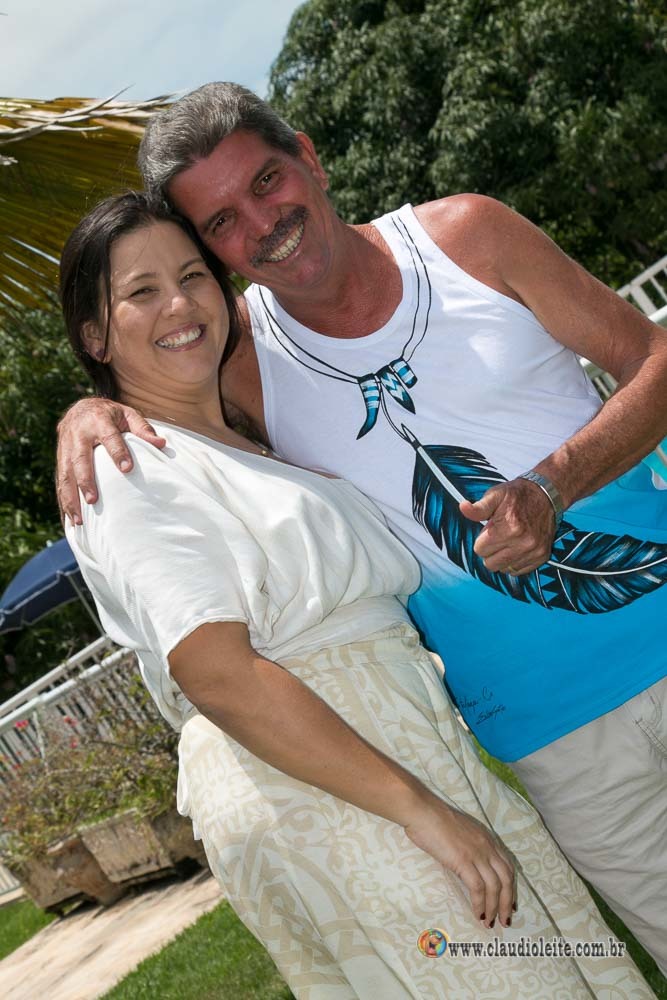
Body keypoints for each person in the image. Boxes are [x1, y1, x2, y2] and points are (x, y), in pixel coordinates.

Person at [56, 83, 667, 974]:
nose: (261, 223)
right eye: (221, 222)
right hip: (554, 738)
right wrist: (86, 411)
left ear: (308, 156)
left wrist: (554, 483)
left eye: (266, 181)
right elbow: (152, 375)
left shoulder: (465, 236)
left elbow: (653, 357)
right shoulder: (240, 358)